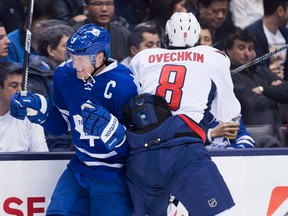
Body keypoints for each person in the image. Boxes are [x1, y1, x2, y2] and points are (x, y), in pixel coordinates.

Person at [10, 24, 137, 215]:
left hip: (116, 177)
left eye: (81, 59)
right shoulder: (64, 74)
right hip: (79, 169)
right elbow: (62, 124)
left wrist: (114, 133)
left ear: (100, 57)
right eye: (73, 57)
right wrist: (40, 109)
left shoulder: (125, 83)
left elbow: (138, 145)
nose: (75, 63)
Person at [125, 12, 240, 215]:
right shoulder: (213, 56)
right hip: (183, 153)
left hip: (142, 154)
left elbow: (132, 101)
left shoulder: (142, 58)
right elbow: (228, 112)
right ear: (196, 36)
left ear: (166, 36)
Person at [225, 28, 288, 137]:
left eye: (250, 48)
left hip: (278, 129)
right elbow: (250, 102)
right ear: (228, 50)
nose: (247, 53)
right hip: (252, 134)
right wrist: (276, 94)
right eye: (241, 48)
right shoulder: (227, 76)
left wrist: (263, 89)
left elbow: (286, 91)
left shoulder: (261, 70)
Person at [0, 62, 48, 152]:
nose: (19, 91)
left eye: (21, 86)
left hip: (24, 166)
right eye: (14, 86)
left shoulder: (30, 114)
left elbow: (41, 155)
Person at [246, 0, 288, 81]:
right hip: (263, 84)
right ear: (280, 11)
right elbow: (257, 68)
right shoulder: (252, 33)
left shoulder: (285, 33)